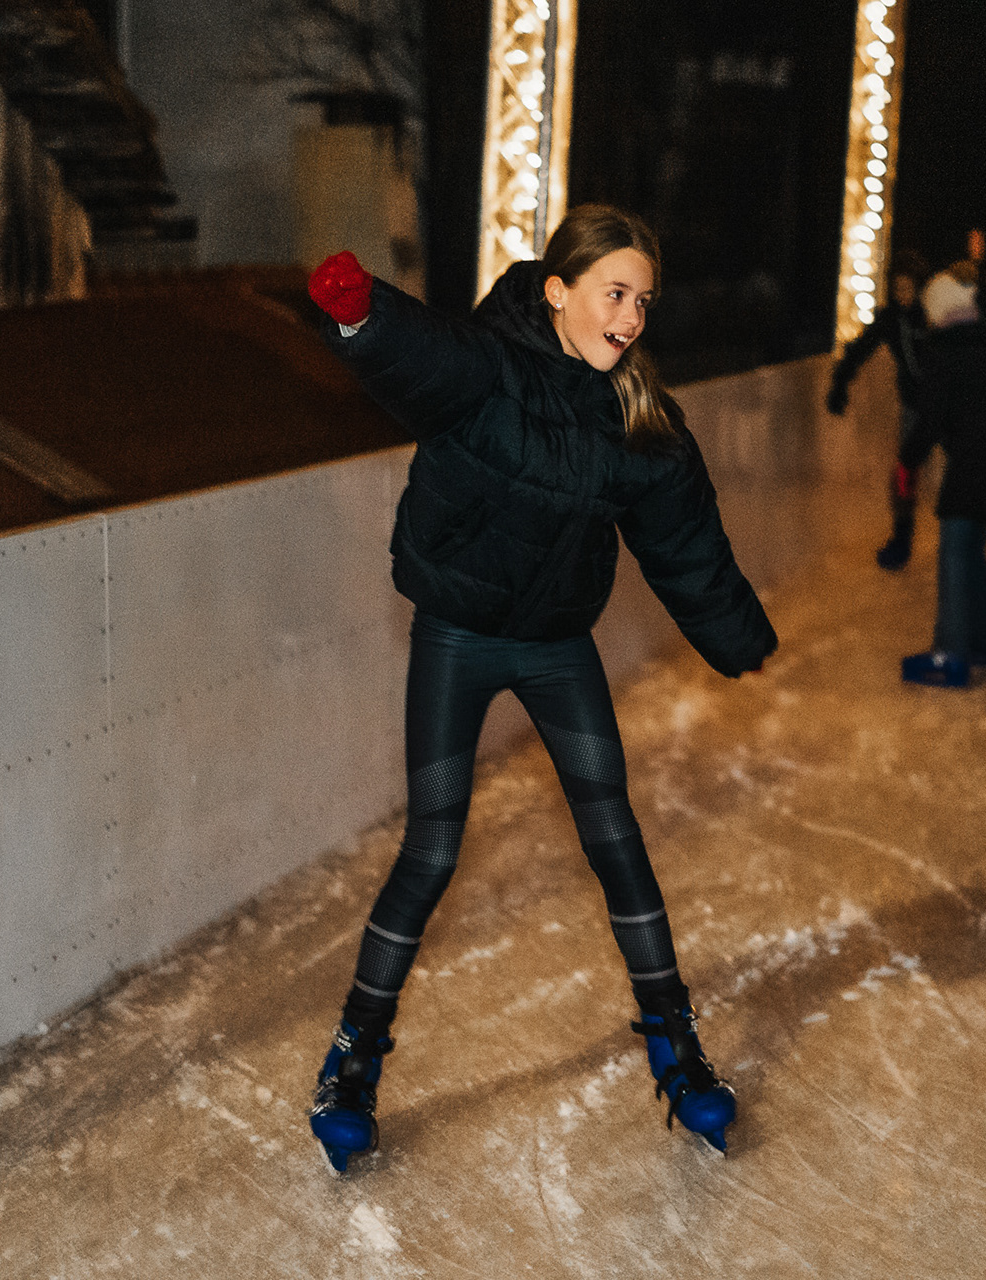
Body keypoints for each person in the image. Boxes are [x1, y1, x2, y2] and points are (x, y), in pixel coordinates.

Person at [302, 205, 776, 1169]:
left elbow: (686, 543)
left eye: (644, 301)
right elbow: (420, 356)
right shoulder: (488, 368)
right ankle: (353, 1060)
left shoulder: (637, 420)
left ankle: (677, 1050)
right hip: (460, 636)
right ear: (557, 291)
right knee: (432, 850)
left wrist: (737, 635)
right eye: (615, 293)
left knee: (616, 839)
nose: (632, 317)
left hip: (557, 646)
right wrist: (362, 316)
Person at [896, 268, 986, 687]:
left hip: (970, 462)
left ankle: (951, 652)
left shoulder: (945, 353)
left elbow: (931, 417)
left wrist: (907, 460)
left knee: (954, 551)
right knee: (971, 551)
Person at [827, 251, 930, 569]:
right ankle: (901, 540)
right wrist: (840, 383)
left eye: (908, 288)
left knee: (960, 472)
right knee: (905, 474)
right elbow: (861, 347)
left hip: (946, 405)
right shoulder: (891, 319)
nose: (903, 295)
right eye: (898, 289)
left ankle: (966, 539)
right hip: (914, 407)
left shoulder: (934, 314)